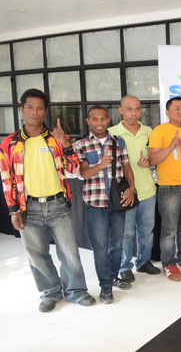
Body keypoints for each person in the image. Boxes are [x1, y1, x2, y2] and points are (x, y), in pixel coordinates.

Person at [0, 88, 95, 312]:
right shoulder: (10, 144)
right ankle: (50, 293)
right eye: (30, 107)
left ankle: (76, 291)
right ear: (22, 110)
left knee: (69, 252)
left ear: (45, 111)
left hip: (58, 205)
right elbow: (7, 178)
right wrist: (14, 210)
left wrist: (67, 145)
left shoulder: (55, 139)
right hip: (28, 208)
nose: (35, 112)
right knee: (37, 255)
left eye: (39, 108)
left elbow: (74, 170)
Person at [74, 105, 136, 303]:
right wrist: (100, 165)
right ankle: (105, 286)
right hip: (95, 203)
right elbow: (83, 174)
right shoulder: (81, 145)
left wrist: (132, 188)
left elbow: (127, 167)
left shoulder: (118, 142)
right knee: (100, 247)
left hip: (117, 202)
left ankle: (111, 277)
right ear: (88, 122)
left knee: (116, 245)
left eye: (102, 119)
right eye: (95, 119)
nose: (99, 123)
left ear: (108, 120)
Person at [109, 95, 160, 283]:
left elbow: (154, 158)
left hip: (147, 189)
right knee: (127, 233)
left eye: (137, 109)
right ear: (121, 110)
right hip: (125, 191)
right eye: (129, 109)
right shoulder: (112, 133)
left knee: (147, 230)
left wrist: (149, 162)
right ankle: (124, 266)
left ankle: (143, 261)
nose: (134, 113)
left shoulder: (149, 131)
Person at [149, 96, 181, 281]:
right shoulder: (159, 131)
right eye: (177, 108)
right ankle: (169, 264)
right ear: (167, 112)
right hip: (169, 188)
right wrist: (170, 147)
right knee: (169, 230)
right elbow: (152, 160)